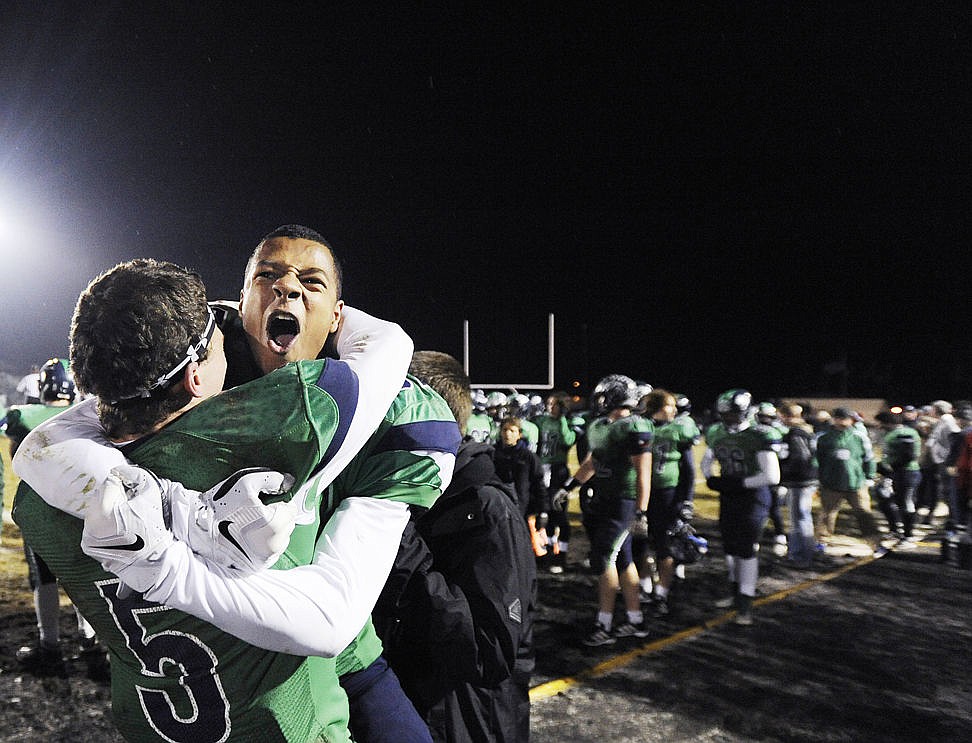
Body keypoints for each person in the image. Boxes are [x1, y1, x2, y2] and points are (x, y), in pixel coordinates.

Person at [18, 226, 456, 742]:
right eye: (266, 276)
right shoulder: (178, 398)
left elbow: (41, 448)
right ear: (239, 303)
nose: (287, 288)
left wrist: (168, 521)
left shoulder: (391, 409)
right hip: (251, 688)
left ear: (338, 318)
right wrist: (180, 515)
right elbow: (53, 442)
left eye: (311, 281)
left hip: (344, 658)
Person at [373, 350, 537, 742]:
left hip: (465, 722)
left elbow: (487, 651)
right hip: (417, 708)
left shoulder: (488, 508)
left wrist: (400, 539)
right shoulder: (419, 492)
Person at [4, 358, 108, 680]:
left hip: (41, 513)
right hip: (80, 511)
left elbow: (13, 449)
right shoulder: (89, 414)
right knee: (80, 574)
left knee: (44, 578)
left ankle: (49, 647)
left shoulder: (23, 416)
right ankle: (89, 640)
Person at [554, 374, 653, 645]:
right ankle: (636, 620)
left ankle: (604, 624)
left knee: (603, 558)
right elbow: (592, 462)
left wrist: (641, 511)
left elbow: (643, 473)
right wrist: (569, 486)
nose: (599, 400)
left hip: (624, 502)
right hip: (604, 500)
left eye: (603, 395)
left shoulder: (635, 426)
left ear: (615, 396)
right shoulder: (600, 425)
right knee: (623, 560)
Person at [702, 389, 781, 625]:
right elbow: (707, 459)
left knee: (746, 548)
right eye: (725, 414)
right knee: (729, 547)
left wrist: (738, 483)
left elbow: (772, 476)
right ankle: (735, 592)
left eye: (733, 414)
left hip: (753, 496)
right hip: (730, 495)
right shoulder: (716, 432)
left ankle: (746, 603)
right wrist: (710, 477)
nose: (728, 418)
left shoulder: (759, 434)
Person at [641, 388, 698, 617]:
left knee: (666, 545)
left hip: (668, 494)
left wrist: (687, 501)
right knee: (641, 544)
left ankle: (661, 594)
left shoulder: (680, 428)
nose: (674, 410)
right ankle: (644, 589)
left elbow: (689, 471)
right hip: (642, 493)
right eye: (669, 406)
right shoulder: (639, 426)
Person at [815, 406, 883, 553]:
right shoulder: (823, 437)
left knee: (864, 514)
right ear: (834, 419)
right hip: (831, 483)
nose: (844, 422)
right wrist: (818, 478)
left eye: (847, 419)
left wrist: (870, 476)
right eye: (841, 418)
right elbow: (816, 459)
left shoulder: (859, 436)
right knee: (827, 514)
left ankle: (875, 543)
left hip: (856, 483)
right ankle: (822, 541)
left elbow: (869, 458)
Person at [533, 392, 577, 573]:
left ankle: (562, 555)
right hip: (543, 469)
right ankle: (550, 551)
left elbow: (568, 440)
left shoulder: (565, 422)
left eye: (554, 404)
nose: (550, 407)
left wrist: (562, 420)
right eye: (549, 404)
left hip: (558, 470)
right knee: (546, 512)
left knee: (559, 512)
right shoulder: (541, 421)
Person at [776, 403, 819, 568]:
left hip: (801, 481)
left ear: (787, 416)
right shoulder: (807, 430)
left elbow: (800, 458)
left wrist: (783, 473)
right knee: (801, 518)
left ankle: (801, 556)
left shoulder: (796, 433)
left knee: (799, 518)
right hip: (806, 479)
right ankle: (798, 553)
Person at [875, 410, 922, 548]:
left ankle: (908, 536)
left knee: (905, 503)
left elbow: (908, 455)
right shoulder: (893, 433)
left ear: (889, 423)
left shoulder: (904, 433)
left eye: (881, 423)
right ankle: (895, 529)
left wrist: (892, 467)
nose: (880, 426)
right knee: (885, 499)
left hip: (906, 473)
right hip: (897, 472)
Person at [756, 402, 789, 557]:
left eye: (768, 417)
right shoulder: (752, 430)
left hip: (774, 476)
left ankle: (780, 537)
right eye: (762, 416)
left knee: (774, 509)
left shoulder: (781, 432)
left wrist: (783, 481)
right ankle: (755, 538)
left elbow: (784, 458)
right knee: (757, 509)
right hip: (757, 475)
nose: (765, 419)